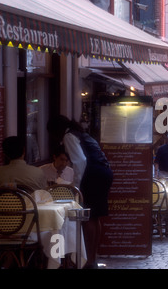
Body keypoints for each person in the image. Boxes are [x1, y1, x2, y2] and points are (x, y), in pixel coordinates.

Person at [47, 115, 113, 269]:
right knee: (95, 217)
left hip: (93, 175)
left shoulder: (69, 136)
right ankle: (92, 258)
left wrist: (76, 186)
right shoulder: (81, 134)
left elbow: (80, 161)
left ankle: (89, 261)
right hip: (104, 172)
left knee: (88, 217)